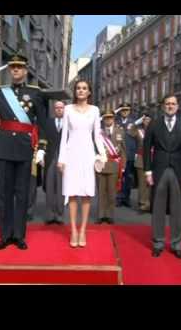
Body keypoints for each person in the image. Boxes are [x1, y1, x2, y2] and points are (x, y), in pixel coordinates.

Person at [0, 52, 47, 250]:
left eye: (19, 67)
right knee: (4, 194)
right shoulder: (0, 92)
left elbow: (44, 123)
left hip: (24, 149)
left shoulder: (36, 93)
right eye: (12, 67)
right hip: (4, 149)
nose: (15, 70)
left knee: (22, 194)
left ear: (25, 70)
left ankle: (19, 235)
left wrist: (42, 149)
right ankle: (4, 235)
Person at [57, 80, 106, 247]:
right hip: (71, 155)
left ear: (89, 92)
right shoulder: (68, 109)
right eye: (78, 88)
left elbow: (97, 136)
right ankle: (73, 230)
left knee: (86, 193)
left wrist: (103, 155)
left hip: (87, 155)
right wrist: (61, 159)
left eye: (84, 88)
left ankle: (83, 230)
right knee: (71, 193)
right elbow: (64, 136)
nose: (81, 90)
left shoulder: (95, 110)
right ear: (75, 91)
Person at [144, 94, 181, 260]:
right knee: (158, 207)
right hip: (159, 170)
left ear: (177, 106)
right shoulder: (154, 124)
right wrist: (148, 171)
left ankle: (177, 244)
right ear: (163, 106)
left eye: (173, 104)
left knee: (177, 208)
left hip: (178, 171)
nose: (170, 106)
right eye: (167, 104)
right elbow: (146, 148)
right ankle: (158, 243)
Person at [96, 109, 126, 224]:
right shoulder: (98, 132)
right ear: (103, 119)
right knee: (101, 191)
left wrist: (122, 165)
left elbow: (123, 150)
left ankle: (109, 215)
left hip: (114, 165)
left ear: (114, 118)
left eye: (110, 117)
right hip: (101, 165)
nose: (108, 120)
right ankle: (100, 215)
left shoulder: (120, 131)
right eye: (106, 118)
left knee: (112, 192)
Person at [44, 101, 66, 225]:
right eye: (57, 108)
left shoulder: (68, 123)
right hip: (50, 157)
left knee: (61, 187)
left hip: (63, 159)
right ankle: (49, 215)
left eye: (61, 108)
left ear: (64, 109)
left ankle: (59, 215)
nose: (59, 110)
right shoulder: (48, 122)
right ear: (54, 109)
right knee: (50, 187)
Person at [115, 103, 137, 208]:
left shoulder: (134, 122)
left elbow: (138, 138)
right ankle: (119, 198)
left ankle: (126, 198)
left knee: (128, 177)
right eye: (123, 110)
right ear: (120, 111)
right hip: (118, 155)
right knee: (119, 177)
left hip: (129, 154)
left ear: (129, 111)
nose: (125, 112)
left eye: (127, 110)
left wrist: (136, 152)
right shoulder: (116, 122)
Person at [130, 114, 151, 212]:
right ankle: (142, 203)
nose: (146, 121)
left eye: (148, 120)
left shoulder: (155, 131)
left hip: (153, 159)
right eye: (145, 120)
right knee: (142, 182)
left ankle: (150, 202)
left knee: (151, 182)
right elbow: (130, 131)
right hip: (141, 159)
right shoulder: (139, 131)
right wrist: (137, 122)